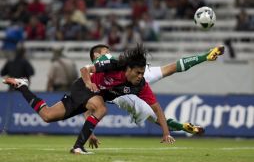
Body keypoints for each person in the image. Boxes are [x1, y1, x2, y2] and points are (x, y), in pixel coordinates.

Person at [2, 44, 175, 155]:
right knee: (101, 108)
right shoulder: (113, 64)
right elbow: (85, 70)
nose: (140, 76)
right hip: (82, 87)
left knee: (47, 116)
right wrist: (89, 83)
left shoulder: (140, 85)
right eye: (137, 72)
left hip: (90, 96)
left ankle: (21, 85)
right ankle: (78, 147)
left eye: (142, 73)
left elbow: (157, 108)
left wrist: (166, 133)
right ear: (128, 68)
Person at [86, 44, 224, 148]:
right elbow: (87, 107)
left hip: (130, 78)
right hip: (129, 79)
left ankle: (178, 127)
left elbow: (88, 109)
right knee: (170, 69)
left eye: (109, 52)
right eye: (105, 52)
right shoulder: (95, 72)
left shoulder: (114, 67)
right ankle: (205, 56)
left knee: (152, 113)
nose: (109, 54)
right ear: (96, 56)